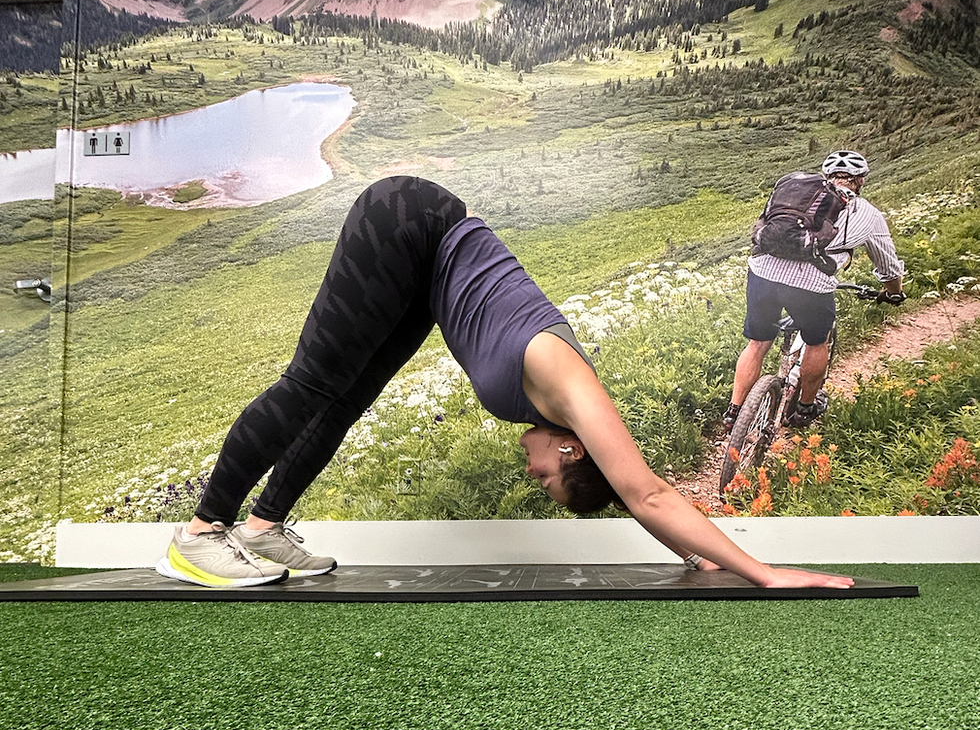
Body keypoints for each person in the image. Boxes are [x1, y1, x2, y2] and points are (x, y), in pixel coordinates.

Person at [157, 176, 854, 591]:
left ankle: (266, 524)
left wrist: (694, 557)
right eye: (550, 481)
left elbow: (629, 497)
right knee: (312, 382)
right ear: (571, 450)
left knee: (347, 400)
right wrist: (761, 572)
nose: (535, 474)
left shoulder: (567, 416)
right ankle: (201, 530)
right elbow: (647, 489)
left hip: (425, 274)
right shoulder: (569, 387)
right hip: (408, 223)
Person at [723, 151, 905, 432]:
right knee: (817, 342)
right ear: (860, 180)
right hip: (812, 284)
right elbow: (888, 266)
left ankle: (734, 412)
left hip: (762, 273)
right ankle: (805, 409)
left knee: (758, 343)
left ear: (826, 175)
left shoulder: (799, 193)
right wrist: (893, 292)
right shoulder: (868, 213)